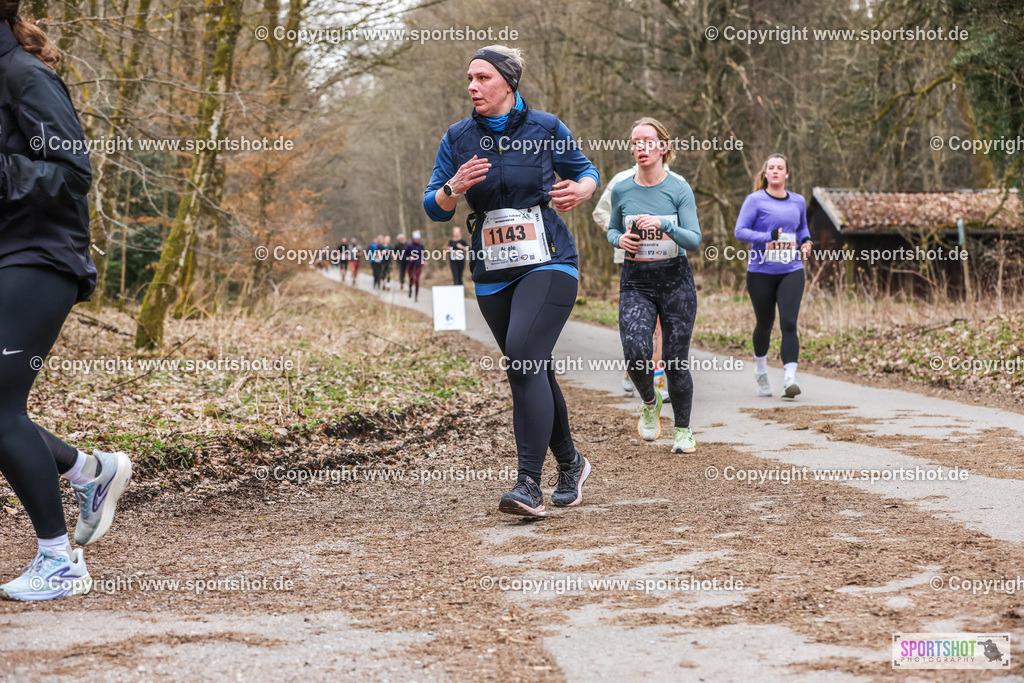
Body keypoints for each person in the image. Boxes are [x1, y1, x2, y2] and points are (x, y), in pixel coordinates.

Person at [423, 45, 597, 516]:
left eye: (482, 78)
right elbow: (433, 207)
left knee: (522, 357)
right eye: (469, 79)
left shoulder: (546, 127)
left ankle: (527, 484)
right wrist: (452, 188)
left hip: (549, 261)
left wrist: (578, 191)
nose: (473, 87)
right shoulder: (457, 137)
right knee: (530, 365)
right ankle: (570, 462)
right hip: (493, 271)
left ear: (507, 82)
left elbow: (586, 173)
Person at [0, 5, 133, 601]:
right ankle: (90, 471)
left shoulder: (25, 75)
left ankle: (60, 561)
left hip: (41, 258)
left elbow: (72, 172)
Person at [607, 117, 702, 454]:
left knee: (676, 361)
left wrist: (665, 225)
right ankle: (650, 400)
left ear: (663, 147)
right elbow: (611, 229)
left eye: (648, 141)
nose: (640, 148)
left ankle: (683, 431)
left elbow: (694, 240)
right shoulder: (621, 188)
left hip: (676, 281)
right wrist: (621, 241)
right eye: (635, 142)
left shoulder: (679, 188)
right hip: (636, 282)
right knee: (635, 352)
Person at [594, 163, 686, 402]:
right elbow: (600, 213)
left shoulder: (677, 182)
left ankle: (656, 378)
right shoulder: (622, 180)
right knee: (639, 324)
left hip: (668, 263)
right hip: (632, 262)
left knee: (658, 323)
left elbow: (687, 225)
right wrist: (621, 235)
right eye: (639, 143)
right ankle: (637, 368)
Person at [733, 153, 812, 398]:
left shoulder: (798, 201)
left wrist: (807, 241)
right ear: (765, 173)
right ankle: (761, 371)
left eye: (780, 168)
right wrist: (768, 237)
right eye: (771, 168)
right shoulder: (754, 200)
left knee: (789, 322)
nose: (776, 171)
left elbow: (802, 227)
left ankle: (789, 378)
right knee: (765, 324)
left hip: (791, 269)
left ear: (787, 173)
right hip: (760, 272)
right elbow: (740, 231)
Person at [403, 232, 425, 301]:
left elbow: (423, 254)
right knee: (411, 279)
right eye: (415, 238)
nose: (417, 240)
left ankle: (416, 295)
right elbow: (404, 255)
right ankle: (410, 288)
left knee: (417, 279)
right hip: (410, 264)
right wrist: (409, 257)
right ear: (413, 239)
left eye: (418, 239)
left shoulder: (421, 246)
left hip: (418, 264)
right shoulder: (409, 245)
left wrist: (424, 260)